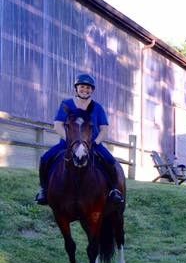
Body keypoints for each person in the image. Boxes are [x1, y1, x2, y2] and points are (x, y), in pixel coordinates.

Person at [36, 73, 124, 206]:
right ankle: (44, 190)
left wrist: (95, 142)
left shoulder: (97, 108)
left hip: (92, 143)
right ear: (76, 88)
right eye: (82, 87)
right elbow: (57, 125)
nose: (85, 90)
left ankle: (114, 191)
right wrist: (71, 141)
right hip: (67, 143)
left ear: (92, 90)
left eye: (88, 88)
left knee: (110, 161)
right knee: (45, 159)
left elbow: (104, 130)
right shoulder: (66, 104)